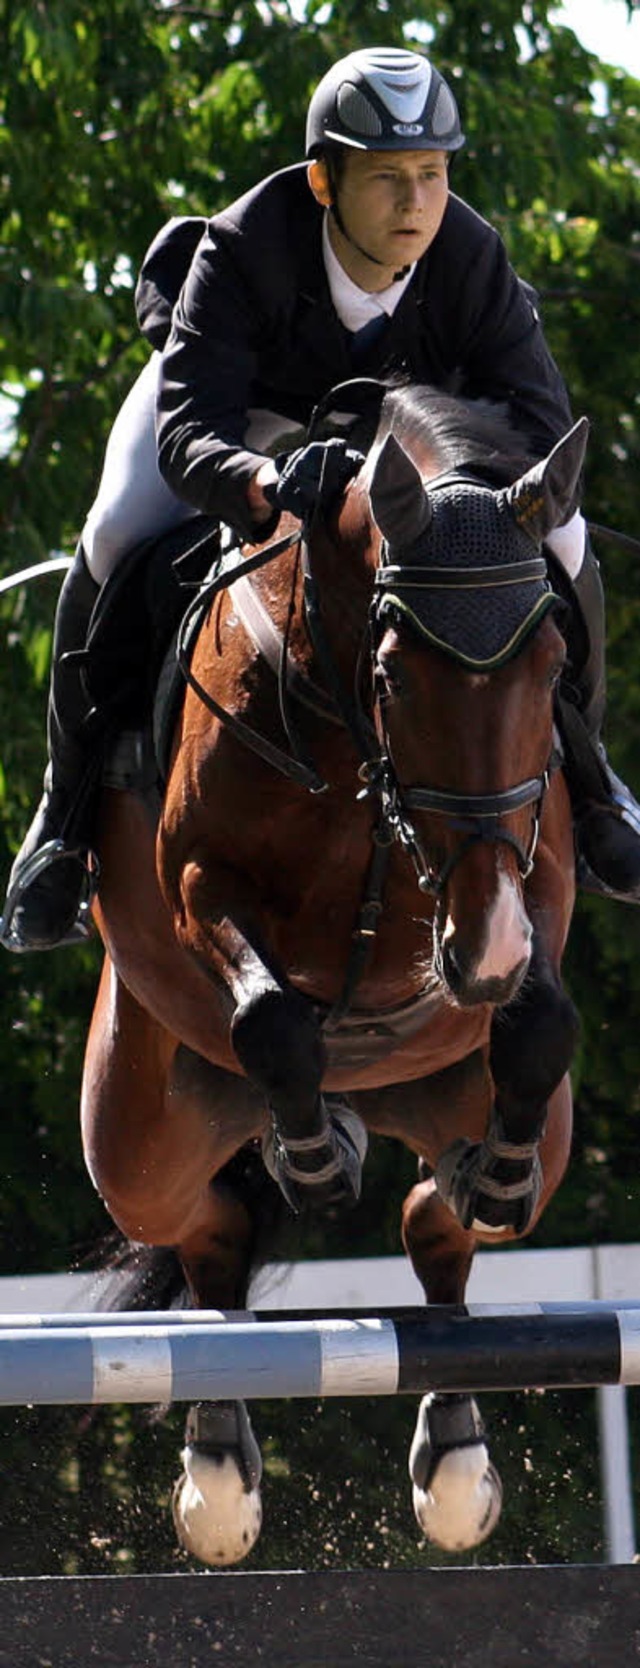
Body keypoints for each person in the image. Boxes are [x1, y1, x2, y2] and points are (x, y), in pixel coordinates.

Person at [3, 44, 639, 953]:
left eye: (432, 173)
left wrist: (485, 502)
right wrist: (261, 479)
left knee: (566, 540)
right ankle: (60, 827)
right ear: (323, 179)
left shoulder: (469, 255)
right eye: (388, 179)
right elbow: (189, 437)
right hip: (242, 416)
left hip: (400, 438)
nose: (418, 203)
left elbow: (537, 426)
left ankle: (595, 776)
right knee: (110, 537)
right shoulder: (243, 245)